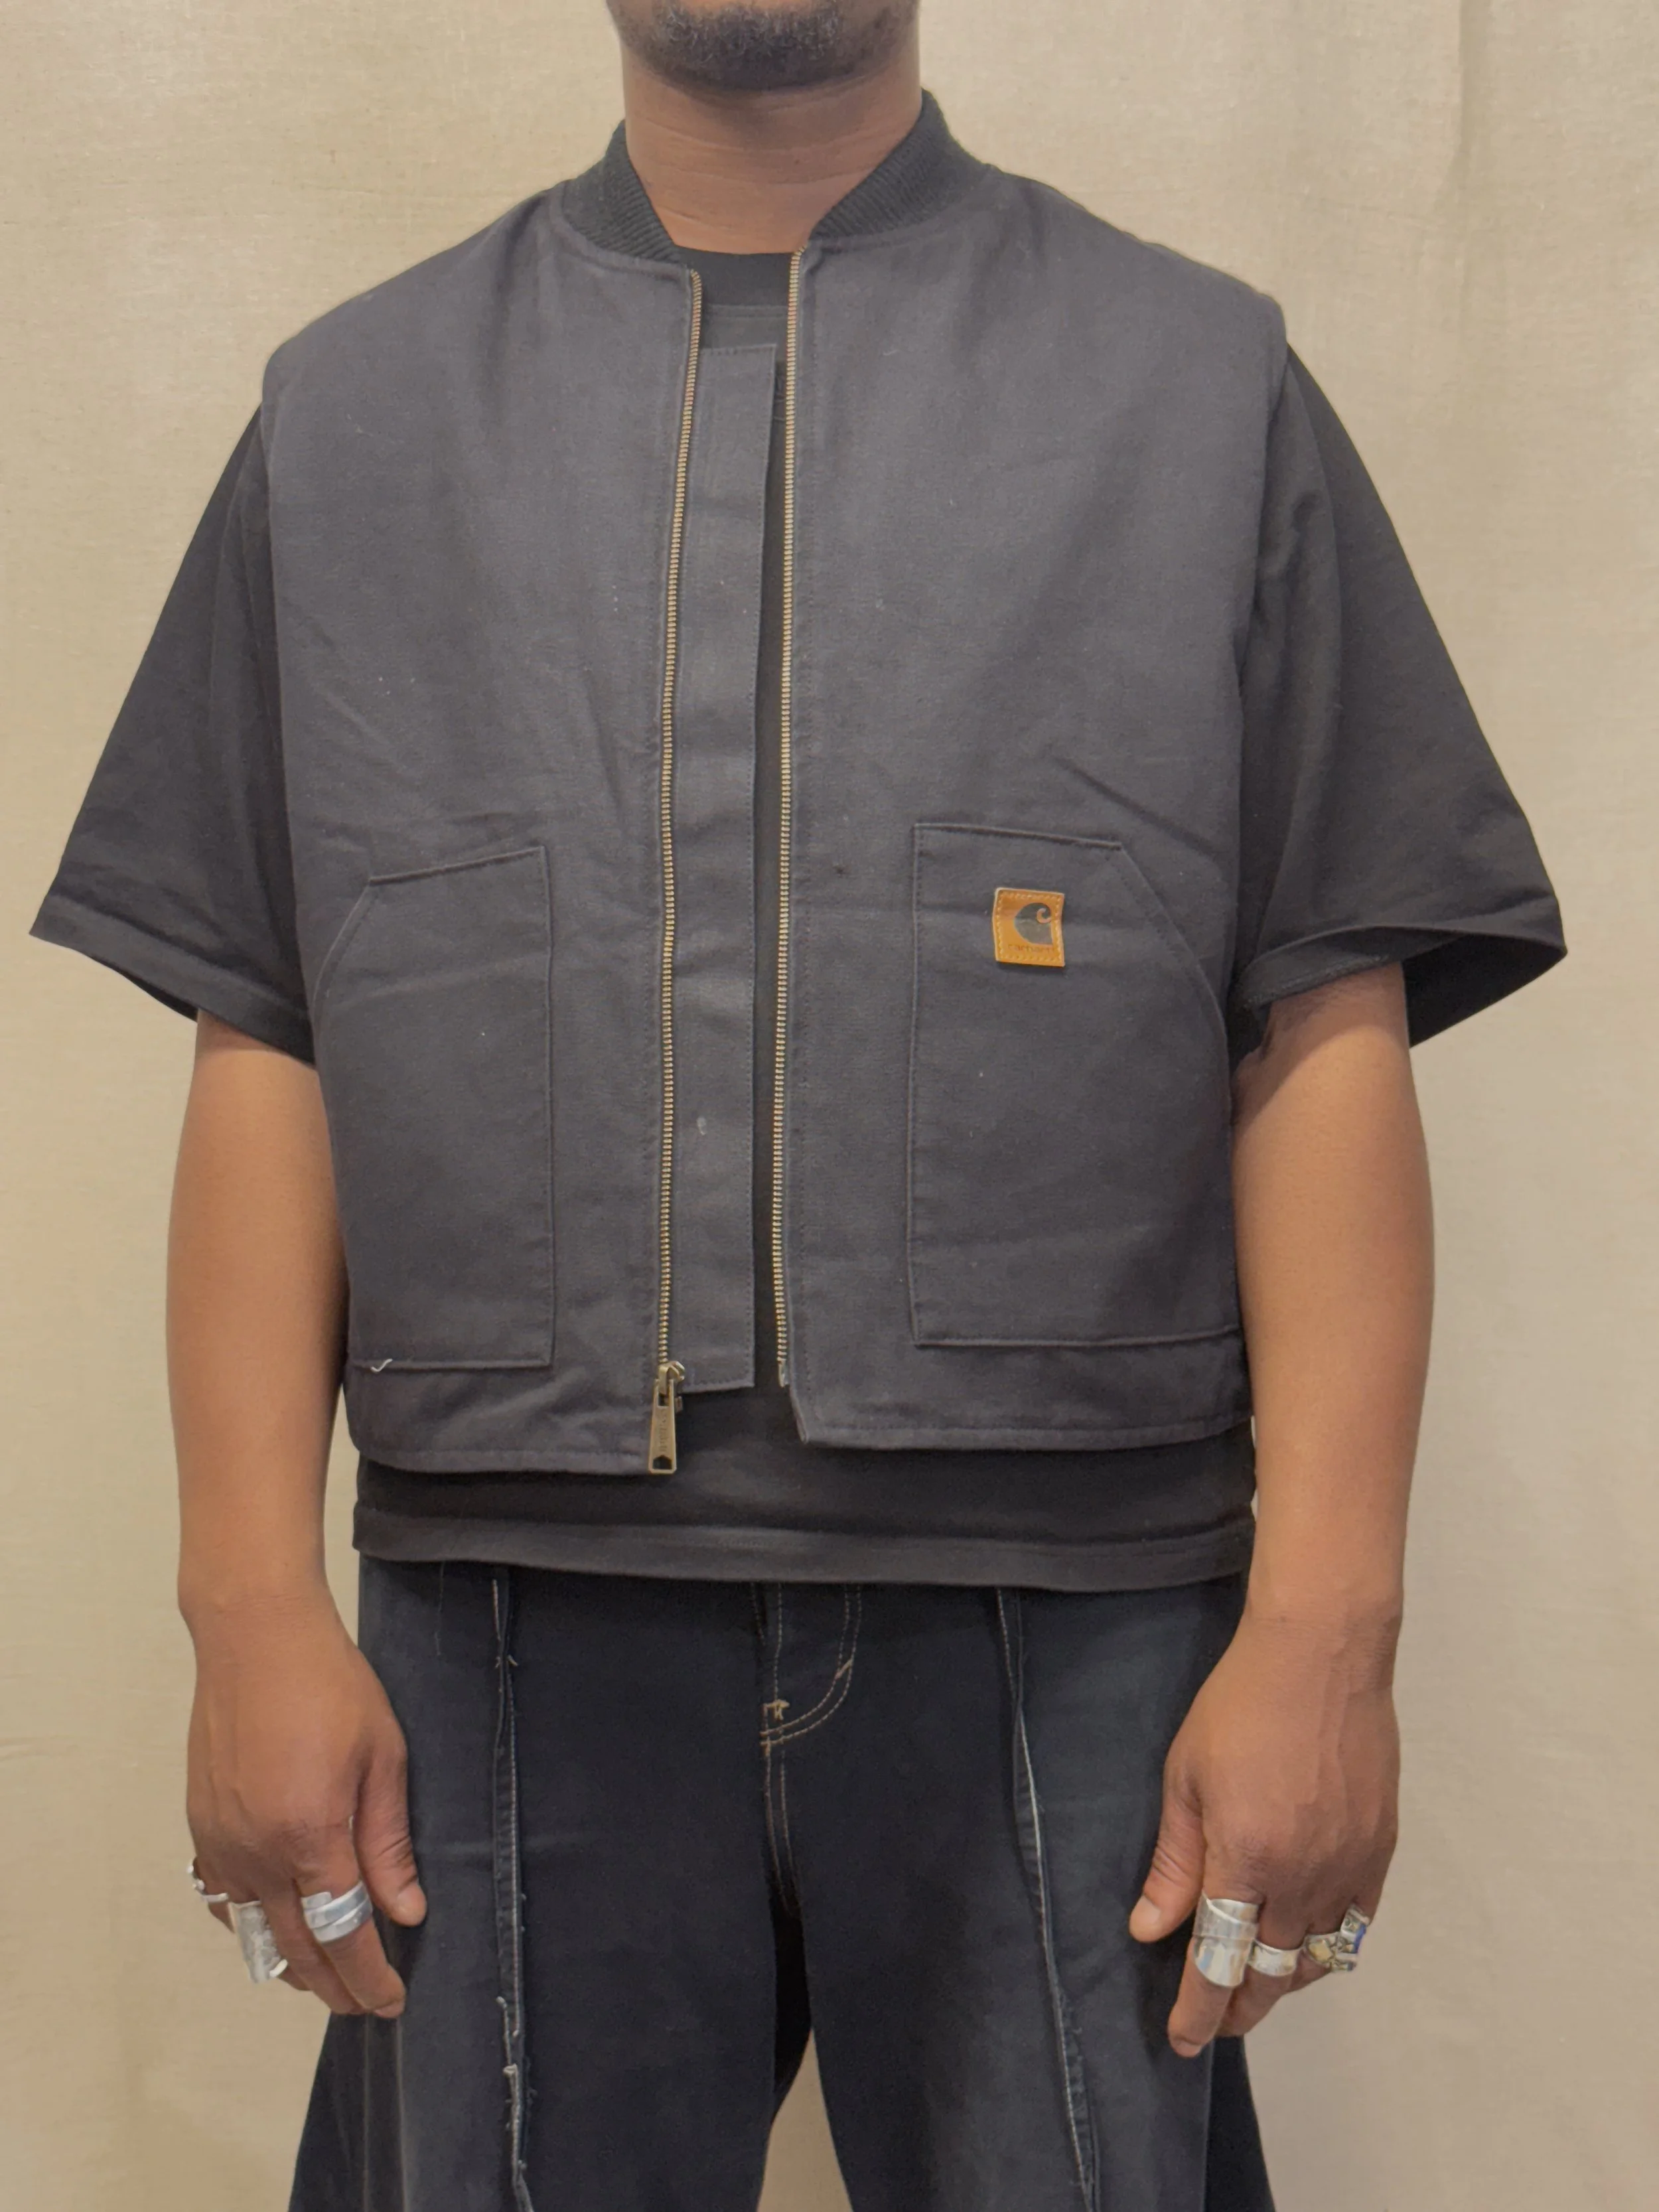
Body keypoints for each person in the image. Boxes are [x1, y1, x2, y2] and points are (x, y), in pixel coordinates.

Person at [32, 3, 1565, 2205]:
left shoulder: (1194, 390)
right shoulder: (355, 415)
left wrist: (1330, 1634)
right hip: (503, 1622)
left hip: (1075, 1621)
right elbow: (270, 1018)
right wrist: (244, 1609)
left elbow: (1320, 1014)